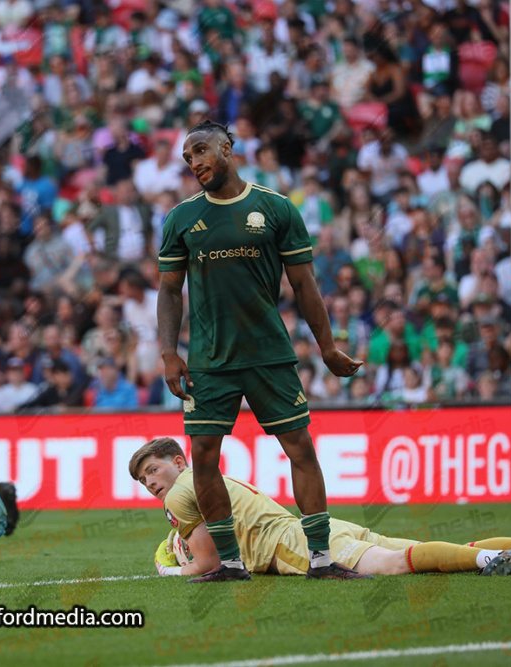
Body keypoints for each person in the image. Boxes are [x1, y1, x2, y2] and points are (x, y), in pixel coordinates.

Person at [157, 119, 368, 582]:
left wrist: (327, 347)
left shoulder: (275, 209)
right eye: (188, 158)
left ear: (227, 148)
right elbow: (170, 291)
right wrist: (168, 353)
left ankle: (320, 559)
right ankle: (230, 564)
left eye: (201, 151)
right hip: (209, 361)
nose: (194, 162)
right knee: (205, 456)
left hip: (269, 354)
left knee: (301, 448)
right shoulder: (180, 218)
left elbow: (304, 284)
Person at [131, 438, 511, 578]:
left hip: (291, 544)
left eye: (153, 470)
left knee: (390, 566)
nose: (150, 483)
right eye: (142, 479)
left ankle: (491, 562)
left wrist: (168, 568)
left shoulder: (180, 494)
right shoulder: (207, 479)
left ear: (178, 461)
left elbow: (210, 565)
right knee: (428, 548)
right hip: (311, 527)